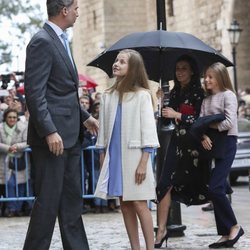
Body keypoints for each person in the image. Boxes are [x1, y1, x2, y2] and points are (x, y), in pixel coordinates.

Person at [23, 1, 98, 249]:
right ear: (64, 10)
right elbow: (35, 94)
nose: (78, 12)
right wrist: (49, 131)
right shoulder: (42, 41)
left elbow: (62, 94)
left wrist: (84, 116)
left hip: (71, 136)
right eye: (76, 8)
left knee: (72, 204)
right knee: (47, 205)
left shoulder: (63, 41)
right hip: (52, 140)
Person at [94, 49, 159, 250]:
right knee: (124, 204)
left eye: (122, 62)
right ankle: (135, 248)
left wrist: (143, 162)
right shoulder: (107, 96)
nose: (116, 64)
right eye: (116, 60)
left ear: (133, 68)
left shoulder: (142, 96)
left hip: (135, 158)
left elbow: (148, 130)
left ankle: (150, 247)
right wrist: (102, 154)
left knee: (140, 203)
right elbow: (104, 130)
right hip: (114, 158)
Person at [155, 55, 205, 248]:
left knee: (209, 188)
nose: (180, 72)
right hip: (177, 144)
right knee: (164, 185)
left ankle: (228, 227)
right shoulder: (174, 93)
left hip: (194, 146)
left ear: (192, 71)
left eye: (184, 68)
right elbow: (166, 121)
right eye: (177, 68)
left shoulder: (199, 93)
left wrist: (178, 114)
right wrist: (162, 102)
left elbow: (201, 119)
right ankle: (162, 230)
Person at [200, 62, 244, 248]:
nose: (207, 80)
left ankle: (234, 226)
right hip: (210, 144)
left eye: (211, 76)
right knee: (217, 188)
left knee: (215, 188)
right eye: (206, 76)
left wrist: (209, 126)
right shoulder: (205, 100)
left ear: (220, 77)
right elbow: (200, 122)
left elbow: (229, 122)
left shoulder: (228, 95)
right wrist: (202, 135)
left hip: (226, 143)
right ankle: (225, 233)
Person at [0, 109, 32, 217]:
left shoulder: (23, 127)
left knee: (21, 184)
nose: (12, 119)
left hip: (20, 159)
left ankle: (18, 208)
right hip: (4, 161)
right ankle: (11, 208)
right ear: (5, 118)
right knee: (9, 183)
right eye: (10, 117)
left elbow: (28, 141)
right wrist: (7, 148)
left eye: (14, 117)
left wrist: (17, 146)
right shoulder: (0, 127)